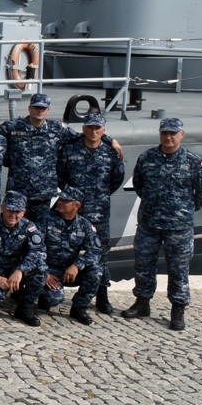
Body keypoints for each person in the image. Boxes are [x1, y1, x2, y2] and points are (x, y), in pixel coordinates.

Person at [0, 93, 121, 220]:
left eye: (43, 108)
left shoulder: (57, 130)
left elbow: (83, 135)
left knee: (40, 235)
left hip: (43, 195)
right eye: (36, 107)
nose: (39, 110)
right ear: (29, 108)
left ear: (48, 110)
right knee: (15, 233)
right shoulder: (13, 127)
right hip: (18, 192)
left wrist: (110, 139)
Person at [122, 117, 202, 331]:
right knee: (144, 265)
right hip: (149, 223)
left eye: (173, 133)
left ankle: (178, 309)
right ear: (160, 134)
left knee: (178, 269)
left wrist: (185, 209)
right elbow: (139, 185)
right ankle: (142, 303)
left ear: (181, 134)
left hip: (179, 227)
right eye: (165, 132)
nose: (169, 137)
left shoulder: (193, 162)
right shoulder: (147, 158)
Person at [57, 111, 125, 314]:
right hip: (72, 212)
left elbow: (116, 179)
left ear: (103, 130)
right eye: (90, 127)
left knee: (101, 255)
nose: (93, 131)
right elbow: (61, 177)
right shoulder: (69, 151)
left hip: (99, 212)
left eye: (98, 128)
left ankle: (102, 295)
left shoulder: (110, 153)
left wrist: (99, 196)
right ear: (84, 128)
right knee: (60, 249)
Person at [0, 190, 46, 326]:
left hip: (16, 271)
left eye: (17, 211)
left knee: (41, 268)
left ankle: (25, 308)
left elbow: (39, 252)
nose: (13, 215)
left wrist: (20, 270)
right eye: (10, 210)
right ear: (2, 207)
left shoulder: (29, 227)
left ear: (23, 212)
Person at [33, 188, 102, 326]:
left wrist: (77, 265)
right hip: (49, 270)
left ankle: (79, 308)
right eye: (60, 199)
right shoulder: (45, 220)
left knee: (96, 272)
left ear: (77, 206)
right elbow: (34, 248)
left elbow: (95, 251)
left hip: (70, 270)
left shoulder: (84, 225)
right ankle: (42, 297)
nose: (60, 202)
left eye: (66, 201)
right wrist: (43, 271)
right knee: (53, 299)